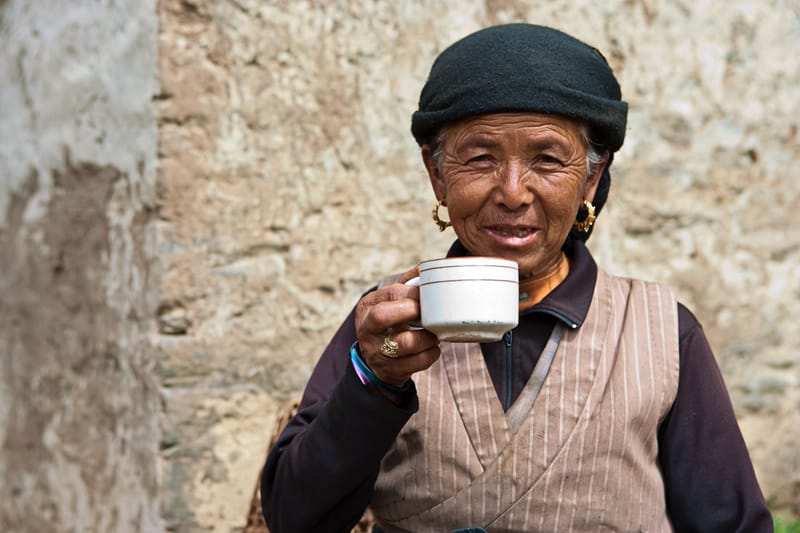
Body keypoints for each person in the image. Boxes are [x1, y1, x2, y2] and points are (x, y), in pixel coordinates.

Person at [261, 23, 772, 533]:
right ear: (437, 173)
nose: (512, 192)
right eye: (479, 158)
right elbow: (292, 518)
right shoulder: (388, 322)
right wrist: (374, 381)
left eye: (548, 160)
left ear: (591, 178)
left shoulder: (661, 332)